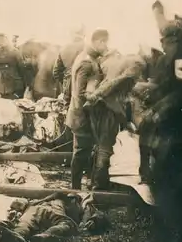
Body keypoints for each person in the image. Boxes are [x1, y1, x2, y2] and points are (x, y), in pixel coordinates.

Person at [137, 1, 182, 242]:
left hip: (180, 134)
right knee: (163, 186)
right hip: (171, 132)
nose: (162, 44)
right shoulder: (177, 53)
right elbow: (172, 86)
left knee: (173, 188)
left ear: (174, 37)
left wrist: (158, 111)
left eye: (164, 40)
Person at [83, 49, 149, 190]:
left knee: (100, 145)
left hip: (100, 106)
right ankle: (99, 185)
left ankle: (95, 180)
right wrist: (96, 95)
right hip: (107, 107)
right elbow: (115, 83)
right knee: (105, 147)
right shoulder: (137, 63)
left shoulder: (117, 61)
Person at [65, 29, 109, 190]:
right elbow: (79, 93)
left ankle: (81, 185)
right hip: (82, 115)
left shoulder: (87, 58)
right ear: (98, 42)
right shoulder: (87, 62)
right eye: (105, 42)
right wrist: (98, 99)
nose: (106, 46)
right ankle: (75, 188)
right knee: (81, 151)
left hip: (82, 114)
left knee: (84, 150)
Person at [0, 192, 109, 242]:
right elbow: (92, 213)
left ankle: (19, 235)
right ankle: (42, 236)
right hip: (51, 210)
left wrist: (92, 220)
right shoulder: (72, 202)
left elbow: (95, 214)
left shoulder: (80, 203)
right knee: (66, 224)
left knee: (25, 223)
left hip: (36, 209)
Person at [53, 26, 86, 104]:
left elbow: (56, 72)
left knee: (69, 111)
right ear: (83, 33)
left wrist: (66, 80)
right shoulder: (87, 47)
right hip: (84, 86)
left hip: (68, 87)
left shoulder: (64, 48)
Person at [0, 32, 27, 99]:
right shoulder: (15, 52)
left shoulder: (14, 52)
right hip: (10, 86)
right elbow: (22, 70)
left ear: (5, 39)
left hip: (6, 87)